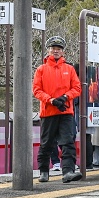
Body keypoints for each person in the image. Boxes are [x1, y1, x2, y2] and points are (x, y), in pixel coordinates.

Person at [33, 36, 83, 184]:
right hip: (48, 112)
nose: (56, 51)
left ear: (63, 51)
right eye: (53, 48)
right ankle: (43, 171)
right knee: (46, 143)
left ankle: (68, 171)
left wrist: (65, 97)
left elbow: (77, 88)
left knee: (68, 141)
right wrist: (51, 100)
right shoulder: (41, 69)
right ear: (48, 50)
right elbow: (36, 90)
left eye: (59, 48)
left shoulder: (69, 68)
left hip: (66, 111)